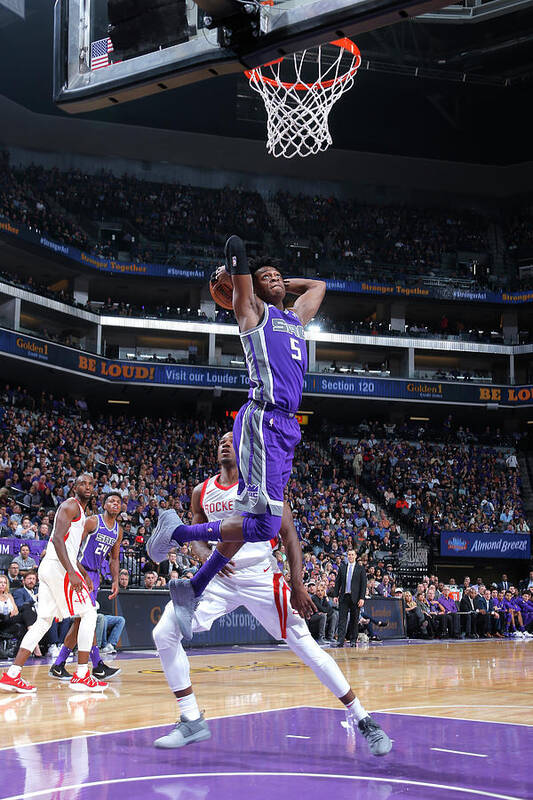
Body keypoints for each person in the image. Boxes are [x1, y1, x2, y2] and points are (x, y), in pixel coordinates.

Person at [151, 432, 391, 756]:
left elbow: (290, 535)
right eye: (220, 441)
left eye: (230, 440)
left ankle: (363, 719)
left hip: (261, 576)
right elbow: (199, 538)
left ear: (243, 448)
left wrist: (298, 584)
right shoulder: (201, 492)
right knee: (164, 632)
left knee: (307, 648)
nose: (224, 443)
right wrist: (206, 556)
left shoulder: (261, 485)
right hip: (220, 578)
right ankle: (191, 718)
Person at [147, 235, 326, 637]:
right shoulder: (252, 313)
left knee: (261, 523)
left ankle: (193, 586)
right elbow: (236, 245)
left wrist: (278, 281)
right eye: (269, 276)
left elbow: (319, 287)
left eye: (279, 275)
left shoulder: (295, 318)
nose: (277, 279)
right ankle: (178, 533)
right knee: (261, 523)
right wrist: (246, 278)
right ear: (252, 289)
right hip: (262, 419)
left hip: (286, 427)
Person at [0, 474, 107, 694]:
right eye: (82, 483)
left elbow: (67, 545)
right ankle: (82, 675)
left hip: (54, 566)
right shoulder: (70, 505)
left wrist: (82, 571)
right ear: (74, 487)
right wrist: (71, 571)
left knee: (44, 621)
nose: (87, 486)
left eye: (90, 484)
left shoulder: (80, 511)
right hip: (58, 567)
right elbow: (57, 538)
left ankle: (12, 675)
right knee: (88, 612)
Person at [49, 492, 123, 682]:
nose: (115, 504)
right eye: (111, 501)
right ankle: (96, 665)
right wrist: (78, 572)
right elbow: (73, 547)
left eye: (118, 502)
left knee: (81, 621)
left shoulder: (117, 530)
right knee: (87, 618)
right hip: (82, 572)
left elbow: (114, 558)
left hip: (95, 575)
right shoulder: (92, 522)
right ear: (104, 505)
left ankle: (59, 665)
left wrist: (115, 580)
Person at [333, 550, 367, 647]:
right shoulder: (343, 567)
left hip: (355, 598)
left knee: (354, 619)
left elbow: (363, 585)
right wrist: (335, 595)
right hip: (344, 596)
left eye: (352, 555)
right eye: (349, 555)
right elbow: (337, 582)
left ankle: (353, 640)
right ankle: (340, 640)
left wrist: (362, 598)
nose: (350, 556)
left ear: (355, 556)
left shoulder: (360, 568)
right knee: (342, 619)